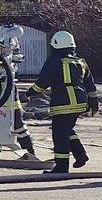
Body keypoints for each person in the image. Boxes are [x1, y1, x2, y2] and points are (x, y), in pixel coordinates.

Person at [29, 28, 94, 177]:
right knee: (67, 130)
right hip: (79, 102)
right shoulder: (80, 61)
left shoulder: (55, 61)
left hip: (62, 102)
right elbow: (90, 84)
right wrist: (93, 102)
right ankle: (80, 155)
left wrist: (29, 94)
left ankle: (61, 167)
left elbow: (43, 82)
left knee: (59, 134)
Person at [0, 28, 37, 160]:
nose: (0, 50)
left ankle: (30, 151)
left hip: (9, 92)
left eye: (2, 48)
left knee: (18, 124)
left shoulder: (9, 60)